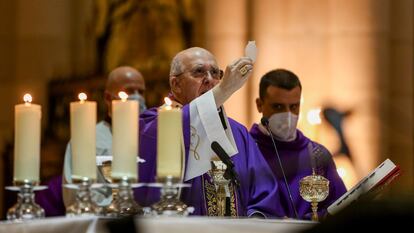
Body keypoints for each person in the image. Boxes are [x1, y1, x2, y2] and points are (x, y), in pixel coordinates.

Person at [136, 47, 283, 217]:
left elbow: (264, 195)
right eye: (198, 72)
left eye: (215, 73)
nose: (209, 79)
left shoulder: (238, 133)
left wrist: (254, 221)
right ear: (176, 84)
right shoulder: (154, 124)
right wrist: (223, 90)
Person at [36, 66, 146, 216]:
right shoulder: (88, 139)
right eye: (129, 91)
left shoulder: (151, 136)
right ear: (108, 98)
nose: (137, 97)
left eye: (141, 92)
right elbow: (76, 198)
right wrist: (124, 203)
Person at [249, 69, 347, 219]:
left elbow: (340, 206)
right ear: (259, 105)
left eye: (294, 107)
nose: (288, 115)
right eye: (278, 107)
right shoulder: (245, 150)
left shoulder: (317, 155)